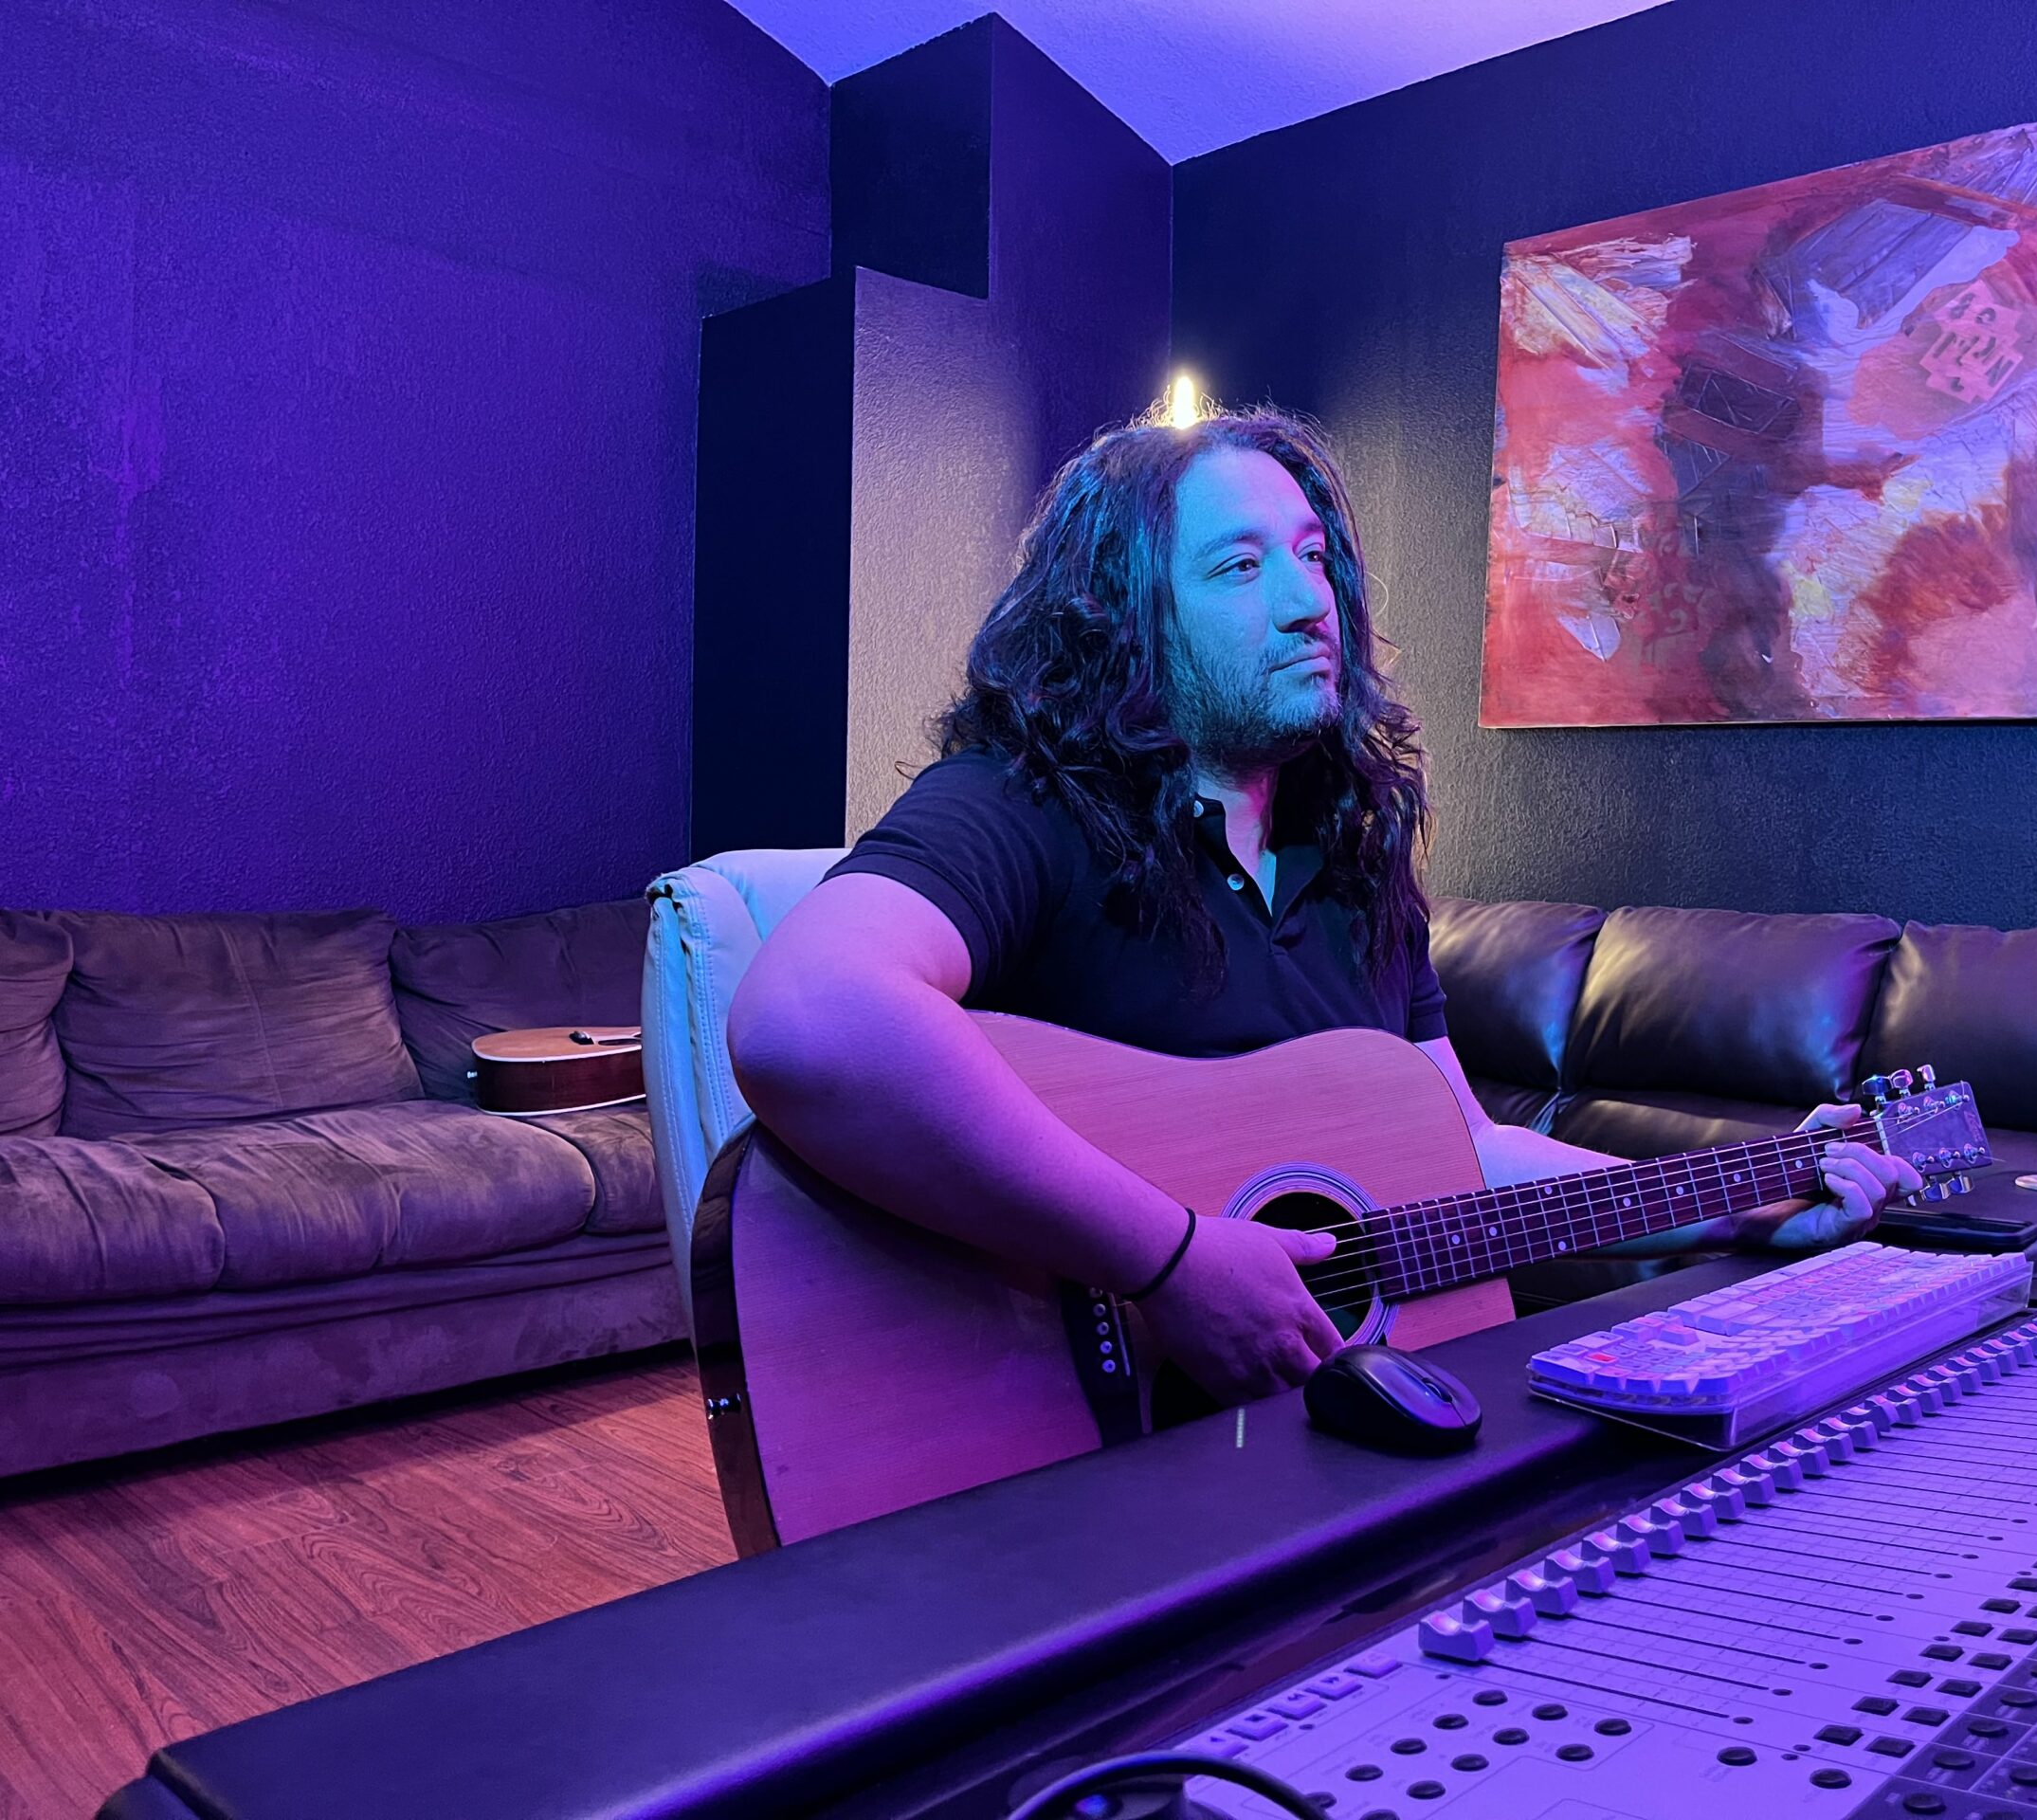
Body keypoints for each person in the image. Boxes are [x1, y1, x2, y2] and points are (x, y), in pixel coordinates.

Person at [726, 409, 1920, 1410]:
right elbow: (811, 1016)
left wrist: (1722, 1209)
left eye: (1311, 557)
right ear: (1126, 614)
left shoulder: (1359, 862)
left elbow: (1463, 1158)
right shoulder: (1021, 808)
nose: (1309, 604)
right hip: (1051, 1454)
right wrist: (1168, 1258)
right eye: (1240, 568)